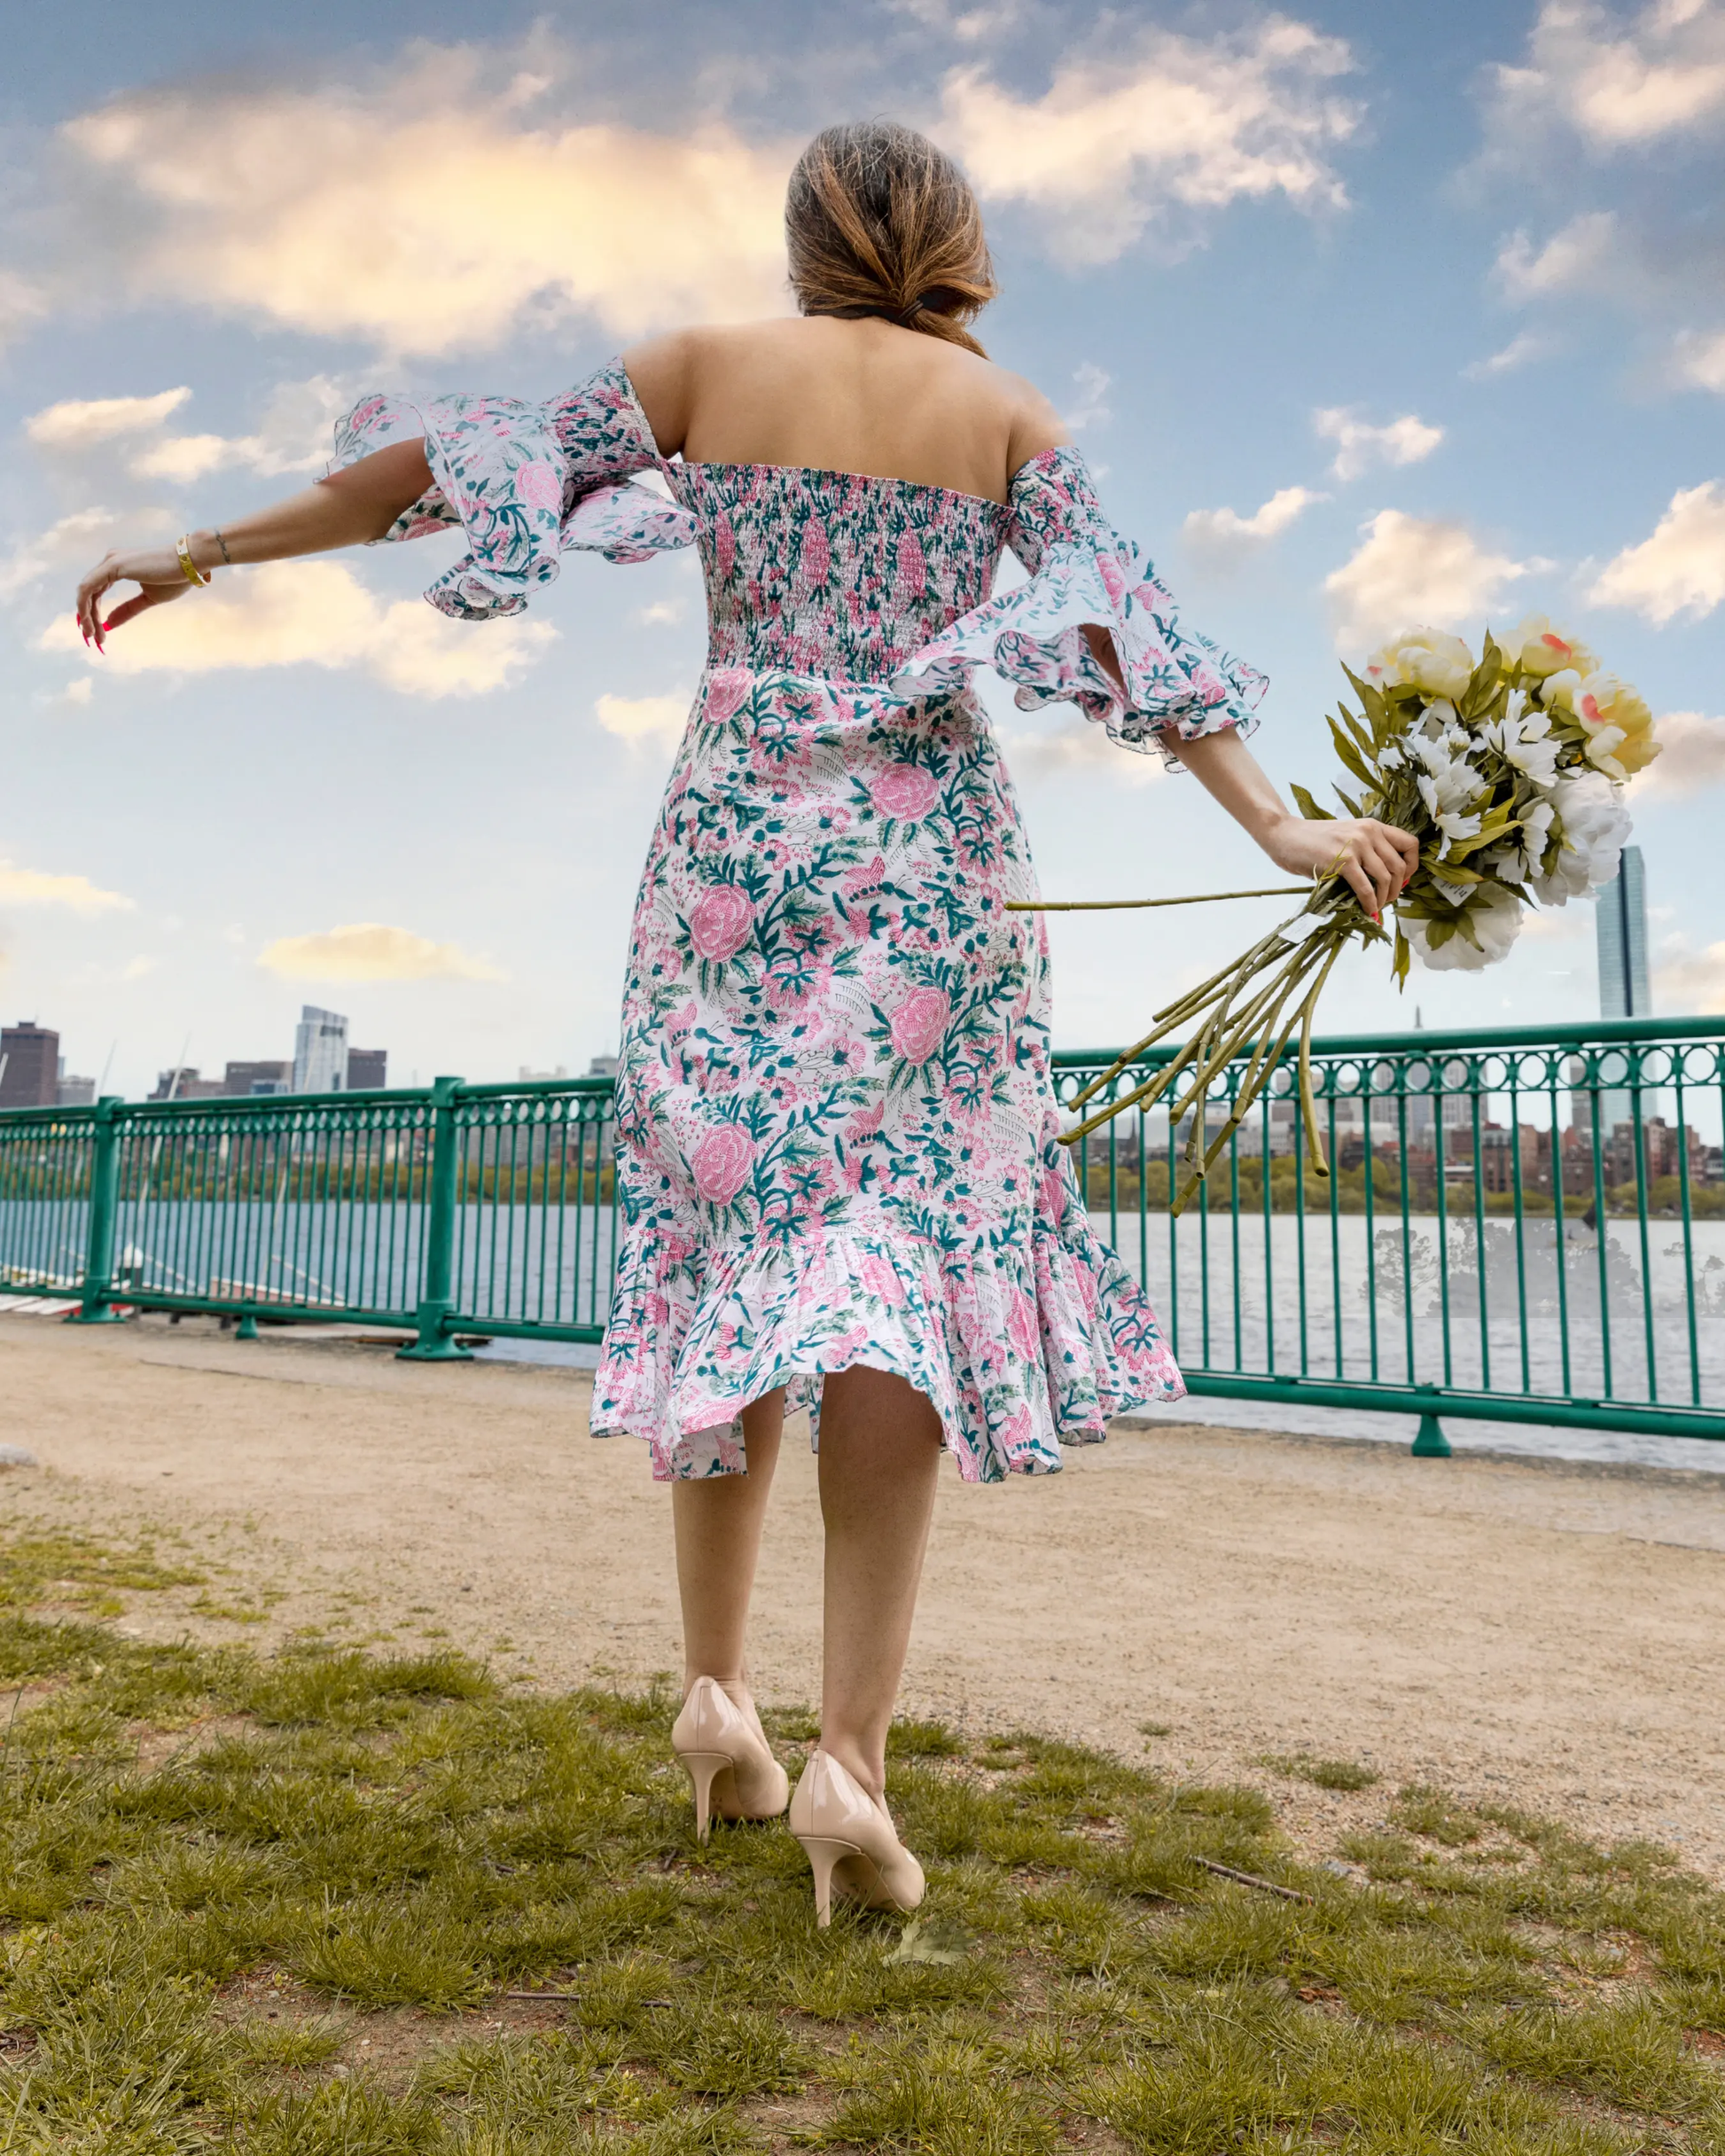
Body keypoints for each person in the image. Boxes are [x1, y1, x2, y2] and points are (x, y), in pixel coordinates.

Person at [75, 119, 1417, 1926]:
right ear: (960, 242)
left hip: (729, 868)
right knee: (892, 1286)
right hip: (930, 877)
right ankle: (847, 1758)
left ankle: (716, 1691)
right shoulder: (1006, 418)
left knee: (732, 1258)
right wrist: (1283, 829)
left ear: (800, 239)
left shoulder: (703, 369)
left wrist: (204, 547)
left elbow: (442, 474)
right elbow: (1141, 641)